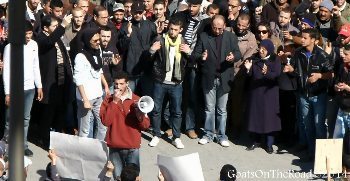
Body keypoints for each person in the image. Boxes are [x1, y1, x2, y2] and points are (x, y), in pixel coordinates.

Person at [283, 28, 333, 160]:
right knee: (307, 124)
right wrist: (290, 69)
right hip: (303, 94)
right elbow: (295, 69)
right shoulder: (299, 53)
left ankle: (322, 156)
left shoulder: (322, 55)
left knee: (319, 125)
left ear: (314, 40)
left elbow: (330, 73)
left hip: (319, 95)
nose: (302, 40)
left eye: (305, 38)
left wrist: (319, 75)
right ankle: (311, 152)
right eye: (302, 37)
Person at [192, 15, 242, 147]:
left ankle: (221, 136)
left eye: (220, 28)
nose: (217, 30)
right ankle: (208, 134)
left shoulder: (231, 37)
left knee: (222, 110)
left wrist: (233, 57)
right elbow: (195, 54)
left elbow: (238, 53)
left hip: (225, 78)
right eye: (214, 28)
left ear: (224, 26)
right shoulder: (203, 36)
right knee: (209, 108)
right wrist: (201, 57)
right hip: (209, 77)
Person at [147, 18, 190, 149]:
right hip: (160, 81)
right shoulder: (160, 39)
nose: (172, 31)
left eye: (175, 29)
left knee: (176, 111)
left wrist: (189, 52)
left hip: (176, 82)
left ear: (180, 30)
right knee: (156, 109)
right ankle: (156, 134)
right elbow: (148, 59)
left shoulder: (183, 41)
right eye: (171, 28)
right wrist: (152, 50)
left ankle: (176, 137)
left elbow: (191, 60)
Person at [2, 21, 43, 157]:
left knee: (25, 119)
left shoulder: (34, 45)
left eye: (30, 33)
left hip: (30, 89)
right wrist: (7, 92)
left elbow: (35, 66)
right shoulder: (10, 47)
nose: (28, 37)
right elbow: (7, 70)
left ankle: (23, 145)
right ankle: (6, 146)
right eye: (26, 34)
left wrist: (39, 86)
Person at [100, 72, 150, 178]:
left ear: (127, 83)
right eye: (116, 84)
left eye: (121, 83)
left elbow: (145, 126)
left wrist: (139, 116)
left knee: (133, 177)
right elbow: (106, 121)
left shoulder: (137, 99)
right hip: (115, 146)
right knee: (118, 177)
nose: (118, 87)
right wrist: (114, 102)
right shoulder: (108, 100)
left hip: (132, 147)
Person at [36, 14, 74, 149]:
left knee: (60, 111)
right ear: (46, 28)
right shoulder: (41, 38)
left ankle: (57, 138)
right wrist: (63, 25)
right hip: (49, 81)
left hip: (61, 81)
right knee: (48, 112)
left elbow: (64, 57)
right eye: (54, 26)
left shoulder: (56, 38)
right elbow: (48, 43)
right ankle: (44, 139)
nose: (57, 28)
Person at [244, 39, 281, 154]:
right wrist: (248, 69)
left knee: (269, 119)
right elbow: (250, 75)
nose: (261, 51)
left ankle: (269, 144)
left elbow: (276, 75)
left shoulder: (275, 60)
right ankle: (256, 140)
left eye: (264, 49)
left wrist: (267, 73)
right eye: (260, 48)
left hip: (269, 94)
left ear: (269, 50)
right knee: (256, 117)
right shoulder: (255, 59)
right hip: (256, 94)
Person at [73, 28, 109, 140]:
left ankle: (97, 149)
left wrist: (106, 86)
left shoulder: (98, 52)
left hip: (98, 95)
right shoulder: (81, 57)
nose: (99, 42)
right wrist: (85, 100)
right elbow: (78, 80)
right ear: (88, 41)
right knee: (85, 129)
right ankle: (84, 153)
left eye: (99, 39)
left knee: (103, 125)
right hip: (86, 98)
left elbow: (99, 71)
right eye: (95, 41)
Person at [333, 44, 350, 138]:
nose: (343, 55)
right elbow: (337, 81)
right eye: (343, 53)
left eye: (346, 54)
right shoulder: (342, 68)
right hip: (342, 108)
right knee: (338, 139)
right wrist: (336, 86)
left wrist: (347, 88)